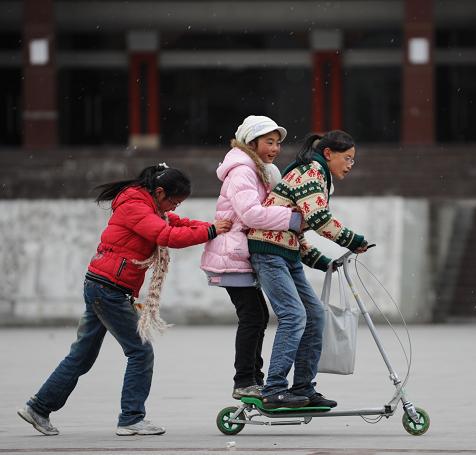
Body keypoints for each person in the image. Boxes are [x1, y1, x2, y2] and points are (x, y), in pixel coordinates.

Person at [17, 164, 232, 436]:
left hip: (103, 286)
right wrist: (212, 232)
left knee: (81, 356)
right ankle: (131, 418)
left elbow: (177, 224)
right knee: (140, 352)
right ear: (160, 191)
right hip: (109, 289)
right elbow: (166, 235)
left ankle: (38, 407)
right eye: (173, 202)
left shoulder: (150, 206)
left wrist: (213, 227)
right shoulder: (135, 206)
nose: (173, 209)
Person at [247, 130, 369, 409]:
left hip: (284, 252)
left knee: (314, 315)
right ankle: (274, 389)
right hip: (267, 252)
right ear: (328, 154)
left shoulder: (318, 175)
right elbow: (318, 219)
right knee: (294, 316)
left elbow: (296, 234)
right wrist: (354, 240)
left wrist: (324, 262)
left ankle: (303, 387)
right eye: (347, 158)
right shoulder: (311, 172)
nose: (350, 165)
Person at [200, 115, 302, 400]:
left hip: (240, 252)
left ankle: (251, 378)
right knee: (253, 317)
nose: (276, 148)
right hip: (232, 254)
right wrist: (292, 220)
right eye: (269, 142)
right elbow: (251, 214)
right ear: (251, 142)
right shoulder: (242, 171)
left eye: (278, 143)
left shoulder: (258, 170)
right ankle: (245, 379)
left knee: (256, 316)